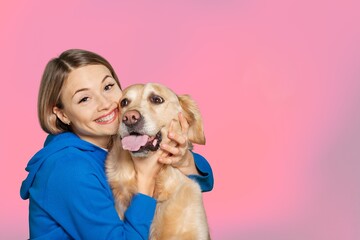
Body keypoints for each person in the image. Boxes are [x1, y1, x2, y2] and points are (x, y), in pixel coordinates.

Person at [20, 49, 214, 240]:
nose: (105, 104)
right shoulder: (68, 168)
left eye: (107, 87)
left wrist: (184, 160)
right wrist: (145, 179)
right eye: (84, 99)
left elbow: (205, 181)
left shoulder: (114, 143)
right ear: (62, 114)